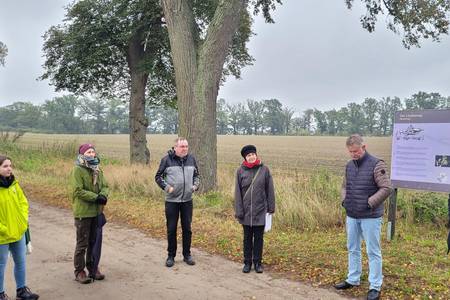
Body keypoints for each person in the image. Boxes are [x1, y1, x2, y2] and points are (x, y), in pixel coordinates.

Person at [334, 134, 392, 300]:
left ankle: (375, 286)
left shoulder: (376, 164)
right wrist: (344, 200)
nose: (354, 154)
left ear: (364, 147)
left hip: (370, 216)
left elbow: (386, 188)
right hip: (352, 215)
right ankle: (353, 279)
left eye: (356, 151)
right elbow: (344, 186)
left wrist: (370, 203)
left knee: (373, 251)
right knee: (352, 248)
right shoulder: (349, 165)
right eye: (351, 152)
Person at [155, 137, 200, 268]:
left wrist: (195, 186)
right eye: (181, 146)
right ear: (175, 147)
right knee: (171, 229)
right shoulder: (166, 160)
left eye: (186, 146)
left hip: (187, 200)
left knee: (187, 229)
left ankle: (187, 255)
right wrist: (167, 188)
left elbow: (197, 176)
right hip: (172, 201)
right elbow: (158, 177)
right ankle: (171, 255)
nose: (184, 149)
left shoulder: (191, 159)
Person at [0, 155, 39, 300]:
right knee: (0, 266)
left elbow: (24, 203)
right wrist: (3, 228)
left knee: (21, 261)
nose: (9, 168)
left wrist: (22, 220)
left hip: (19, 231)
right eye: (5, 166)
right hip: (2, 236)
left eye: (10, 165)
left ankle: (21, 290)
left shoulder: (14, 184)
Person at [70, 144, 109, 284]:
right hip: (83, 212)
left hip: (97, 212)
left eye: (93, 151)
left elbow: (105, 185)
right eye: (88, 152)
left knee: (94, 241)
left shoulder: (98, 168)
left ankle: (93, 267)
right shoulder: (78, 170)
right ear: (82, 154)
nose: (92, 154)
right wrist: (95, 197)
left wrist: (103, 195)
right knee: (82, 243)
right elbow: (77, 191)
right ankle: (79, 271)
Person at [234, 145, 275, 274]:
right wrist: (239, 211)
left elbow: (270, 190)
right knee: (247, 238)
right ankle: (247, 262)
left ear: (256, 155)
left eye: (253, 154)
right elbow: (237, 193)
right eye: (248, 155)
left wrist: (271, 207)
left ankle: (258, 262)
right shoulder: (240, 171)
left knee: (258, 238)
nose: (251, 157)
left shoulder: (264, 170)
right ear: (245, 158)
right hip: (246, 212)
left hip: (260, 210)